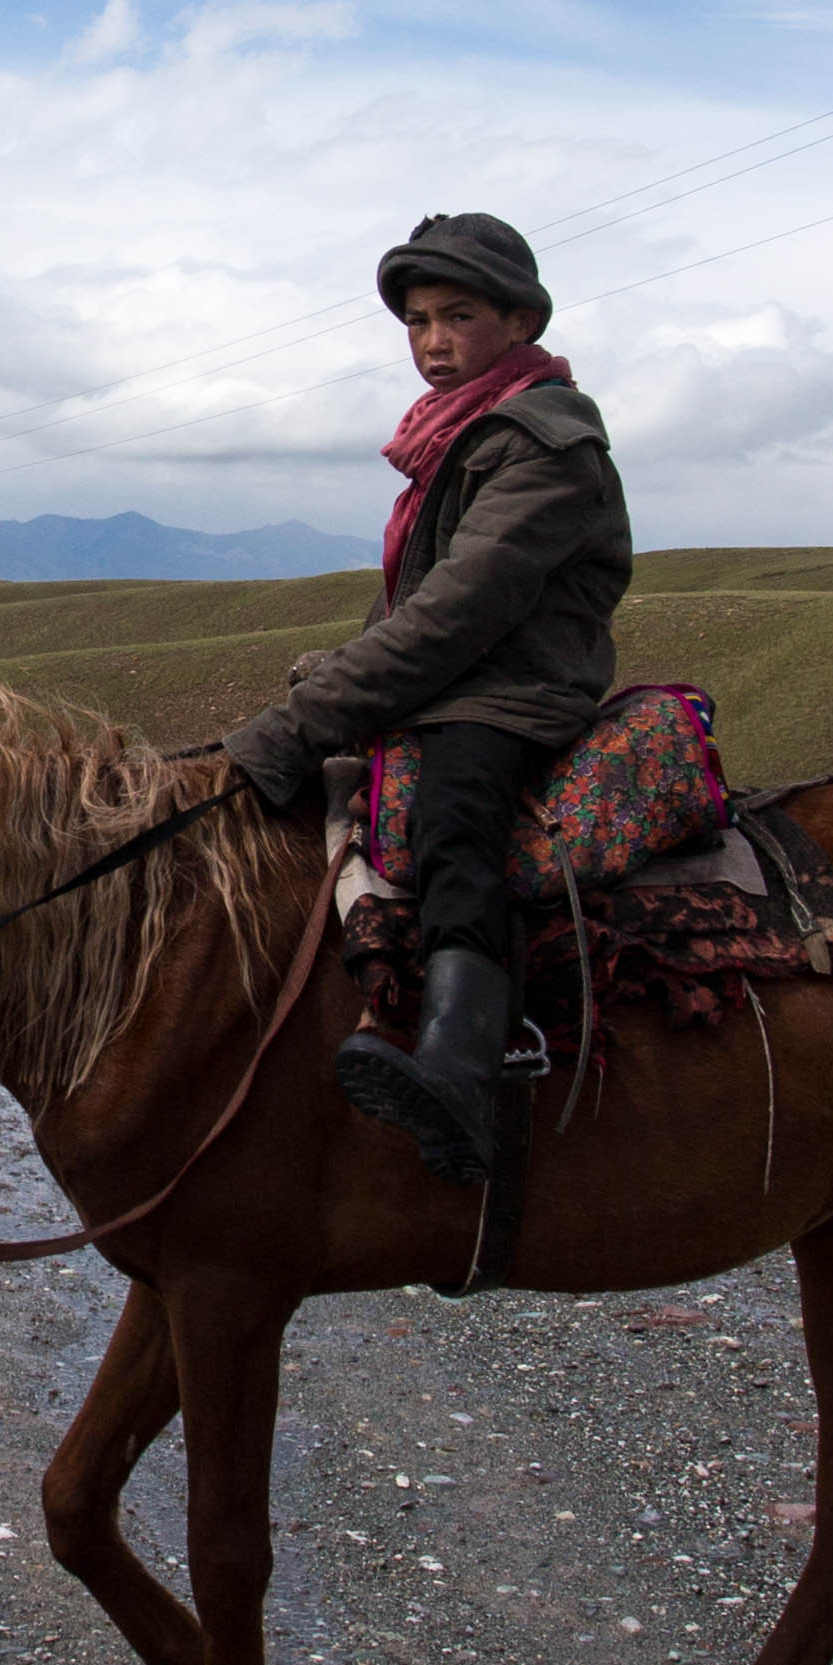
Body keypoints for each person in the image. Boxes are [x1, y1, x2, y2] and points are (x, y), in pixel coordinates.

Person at [220, 213, 634, 1181]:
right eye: (415, 321)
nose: (432, 341)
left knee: (454, 813)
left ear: (519, 319)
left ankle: (460, 1062)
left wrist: (290, 728)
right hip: (453, 679)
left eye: (456, 316)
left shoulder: (546, 446)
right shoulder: (454, 442)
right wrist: (333, 674)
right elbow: (405, 606)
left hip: (510, 693)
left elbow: (454, 613)